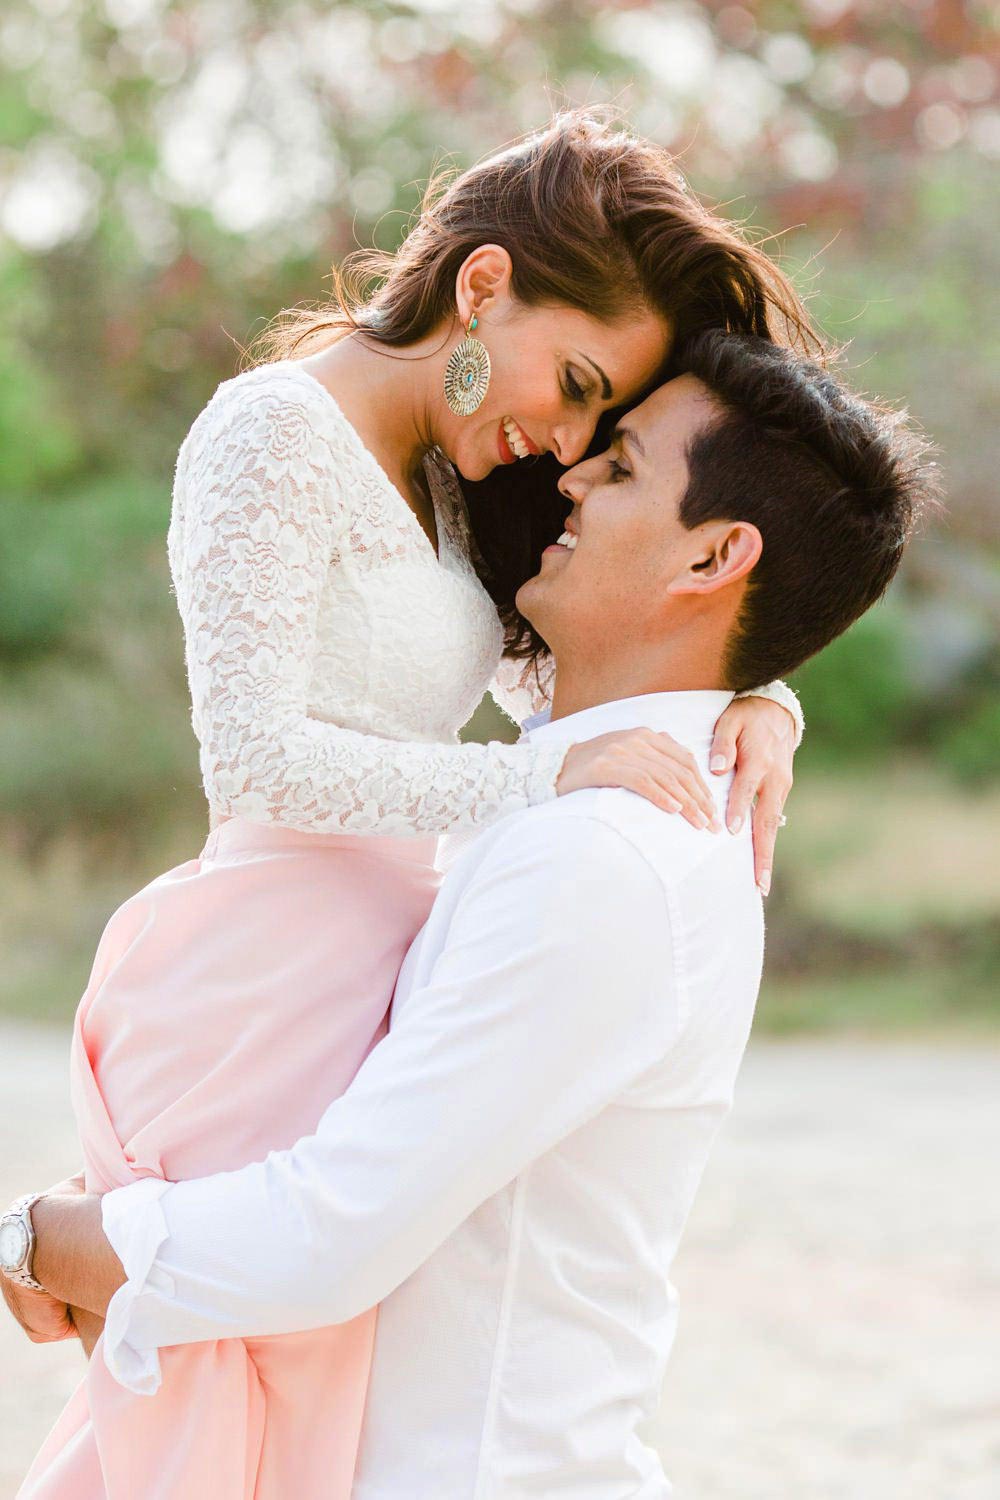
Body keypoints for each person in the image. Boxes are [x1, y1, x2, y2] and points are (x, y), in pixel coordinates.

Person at [3, 111, 809, 1499]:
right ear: (481, 283)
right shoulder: (268, 430)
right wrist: (534, 774)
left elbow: (558, 678)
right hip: (263, 961)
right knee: (228, 1405)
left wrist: (754, 696)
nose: (557, 435)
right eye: (569, 383)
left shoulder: (449, 473)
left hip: (375, 959)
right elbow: (253, 756)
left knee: (298, 1403)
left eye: (591, 415)